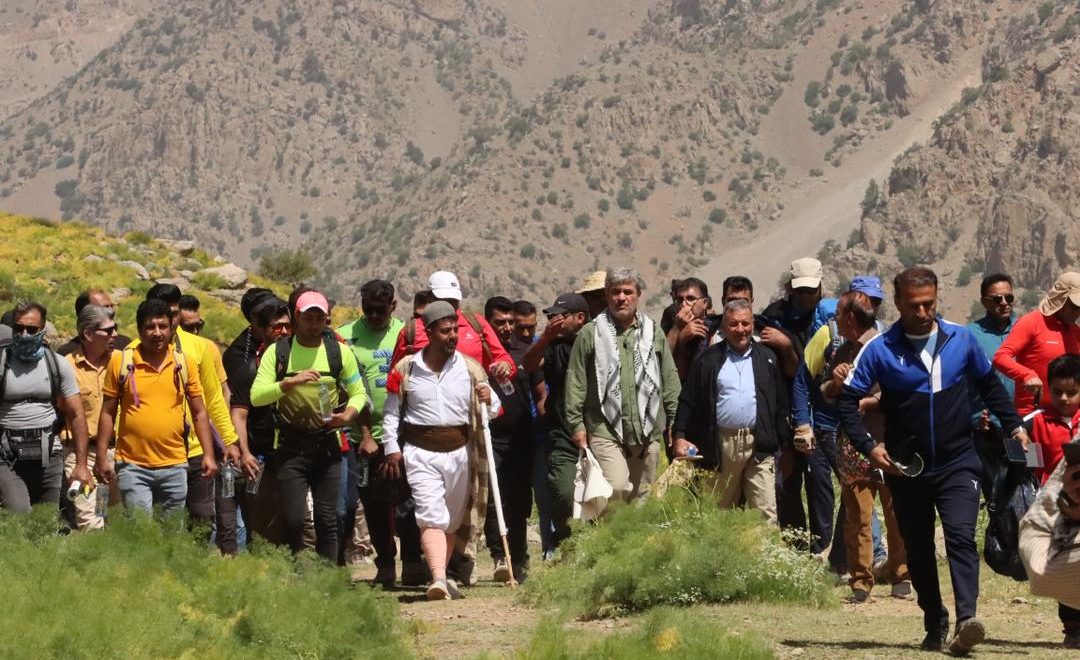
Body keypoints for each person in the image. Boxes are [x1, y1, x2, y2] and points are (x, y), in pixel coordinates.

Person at [838, 267, 1029, 654]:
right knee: (919, 547)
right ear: (898, 304)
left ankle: (966, 620)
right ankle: (934, 621)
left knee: (960, 536)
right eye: (913, 306)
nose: (922, 313)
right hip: (907, 467)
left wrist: (1013, 427)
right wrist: (869, 446)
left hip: (959, 460)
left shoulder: (961, 340)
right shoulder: (879, 350)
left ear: (937, 298)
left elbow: (989, 385)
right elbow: (845, 400)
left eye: (929, 304)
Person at [382, 301, 499, 600]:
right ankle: (437, 578)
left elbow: (494, 410)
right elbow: (391, 412)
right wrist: (391, 447)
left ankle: (443, 576)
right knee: (430, 514)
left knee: (451, 518)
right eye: (445, 331)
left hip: (461, 454)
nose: (452, 336)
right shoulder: (406, 369)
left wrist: (489, 398)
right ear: (429, 332)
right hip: (419, 453)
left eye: (455, 330)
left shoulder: (471, 369)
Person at [250, 290, 369, 562]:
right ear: (296, 318)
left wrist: (349, 414)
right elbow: (257, 396)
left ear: (327, 319)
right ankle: (300, 576)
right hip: (290, 448)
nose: (314, 324)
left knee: (329, 519)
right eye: (308, 318)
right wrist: (288, 384)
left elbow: (359, 392)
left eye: (319, 318)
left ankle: (326, 582)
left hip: (328, 445)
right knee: (293, 520)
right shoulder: (277, 352)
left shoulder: (339, 353)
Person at [815, 292, 910, 602]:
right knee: (857, 514)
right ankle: (860, 580)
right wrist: (837, 384)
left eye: (839, 315)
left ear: (851, 318)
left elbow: (904, 390)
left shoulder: (889, 349)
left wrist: (869, 402)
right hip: (853, 447)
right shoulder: (842, 351)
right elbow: (826, 391)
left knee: (896, 511)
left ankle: (901, 574)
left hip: (890, 440)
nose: (836, 321)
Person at [337, 280, 427, 588]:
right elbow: (353, 387)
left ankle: (413, 562)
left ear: (392, 307)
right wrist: (366, 435)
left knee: (409, 503)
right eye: (368, 310)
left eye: (380, 310)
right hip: (365, 440)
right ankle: (385, 564)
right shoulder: (346, 337)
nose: (374, 316)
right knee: (375, 504)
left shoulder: (407, 333)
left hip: (405, 435)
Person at [564, 268, 680, 503]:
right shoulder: (591, 333)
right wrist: (576, 423)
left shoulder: (652, 331)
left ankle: (633, 540)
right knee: (615, 488)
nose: (621, 298)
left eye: (628, 292)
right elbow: (575, 381)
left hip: (646, 430)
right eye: (616, 292)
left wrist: (676, 420)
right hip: (604, 427)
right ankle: (609, 537)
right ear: (607, 295)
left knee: (642, 496)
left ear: (638, 295)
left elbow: (668, 376)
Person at [145, 283, 247, 549]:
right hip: (153, 453)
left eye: (175, 313)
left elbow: (214, 398)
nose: (171, 319)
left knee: (202, 515)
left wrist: (229, 440)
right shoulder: (131, 353)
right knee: (162, 519)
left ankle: (197, 566)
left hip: (195, 449)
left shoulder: (200, 348)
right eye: (163, 313)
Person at [95, 299, 217, 517]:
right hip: (133, 466)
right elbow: (107, 412)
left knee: (171, 535)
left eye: (163, 326)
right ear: (140, 330)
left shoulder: (184, 364)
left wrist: (208, 454)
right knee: (141, 532)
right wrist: (102, 456)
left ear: (172, 329)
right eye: (150, 327)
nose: (157, 332)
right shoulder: (121, 362)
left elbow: (199, 412)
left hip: (176, 465)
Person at [671, 299, 787, 521]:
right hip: (721, 444)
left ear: (753, 324)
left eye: (745, 323)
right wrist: (680, 436)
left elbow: (780, 405)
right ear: (723, 327)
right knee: (717, 512)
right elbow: (688, 400)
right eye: (733, 324)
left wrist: (786, 445)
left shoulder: (768, 358)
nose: (740, 330)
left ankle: (765, 555)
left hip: (759, 444)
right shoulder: (708, 359)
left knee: (765, 512)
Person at [0, 302, 92, 513]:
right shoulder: (1, 362)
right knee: (19, 512)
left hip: (48, 454)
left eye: (31, 329)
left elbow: (77, 414)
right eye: (18, 328)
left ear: (42, 330)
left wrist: (81, 464)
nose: (24, 334)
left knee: (46, 519)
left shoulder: (57, 365)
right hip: (5, 455)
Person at [483, 296, 543, 583]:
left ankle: (519, 559)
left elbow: (539, 394)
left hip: (522, 438)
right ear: (488, 324)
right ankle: (499, 556)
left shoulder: (526, 353)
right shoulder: (480, 355)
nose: (507, 328)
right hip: (490, 436)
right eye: (500, 323)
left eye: (510, 322)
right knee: (494, 500)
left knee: (520, 502)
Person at [524, 292, 590, 550]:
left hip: (598, 435)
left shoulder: (597, 342)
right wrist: (547, 337)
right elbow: (529, 365)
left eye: (559, 317)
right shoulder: (554, 347)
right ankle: (565, 543)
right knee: (563, 493)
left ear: (580, 318)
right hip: (562, 434)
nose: (553, 321)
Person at [225, 295, 291, 547]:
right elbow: (238, 415)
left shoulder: (307, 361)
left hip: (298, 453)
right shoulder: (248, 368)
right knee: (264, 523)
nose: (283, 332)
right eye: (276, 327)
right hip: (262, 457)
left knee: (301, 520)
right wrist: (245, 452)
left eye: (288, 326)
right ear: (262, 330)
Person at [1023, 354, 1080, 647]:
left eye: (1072, 392)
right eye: (1057, 392)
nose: (1064, 398)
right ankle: (1072, 626)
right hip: (1054, 505)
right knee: (1063, 560)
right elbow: (1033, 463)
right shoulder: (1038, 422)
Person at [60, 305, 121, 530]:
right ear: (87, 334)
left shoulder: (121, 362)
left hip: (114, 454)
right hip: (81, 456)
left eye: (115, 328)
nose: (115, 334)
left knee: (109, 516)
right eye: (108, 330)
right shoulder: (66, 367)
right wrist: (80, 463)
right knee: (90, 522)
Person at [994, 272, 1080, 417]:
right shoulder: (1031, 322)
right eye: (1073, 306)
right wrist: (1026, 375)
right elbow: (1000, 357)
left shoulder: (1076, 332)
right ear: (1060, 298)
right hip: (1032, 415)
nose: (1077, 313)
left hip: (1068, 419)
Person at [1020, 458, 1080, 648]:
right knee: (1066, 562)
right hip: (1055, 495)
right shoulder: (1041, 426)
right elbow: (1034, 458)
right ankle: (1073, 628)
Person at [664, 277, 722, 381]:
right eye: (680, 300)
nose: (684, 304)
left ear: (704, 303)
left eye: (690, 299)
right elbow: (663, 362)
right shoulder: (674, 327)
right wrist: (678, 332)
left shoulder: (716, 328)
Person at [56, 289, 131, 355]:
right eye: (105, 307)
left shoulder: (124, 345)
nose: (111, 311)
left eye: (111, 306)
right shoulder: (67, 354)